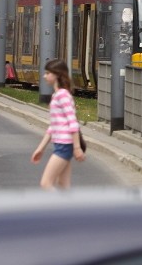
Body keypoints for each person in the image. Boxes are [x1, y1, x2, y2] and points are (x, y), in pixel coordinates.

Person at [31, 58, 86, 189]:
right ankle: (68, 208)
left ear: (57, 74)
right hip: (61, 144)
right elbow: (52, 127)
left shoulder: (63, 95)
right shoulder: (57, 95)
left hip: (65, 145)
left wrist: (77, 148)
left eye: (48, 73)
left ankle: (62, 209)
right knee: (63, 185)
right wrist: (40, 148)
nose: (45, 76)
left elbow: (73, 122)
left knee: (46, 183)